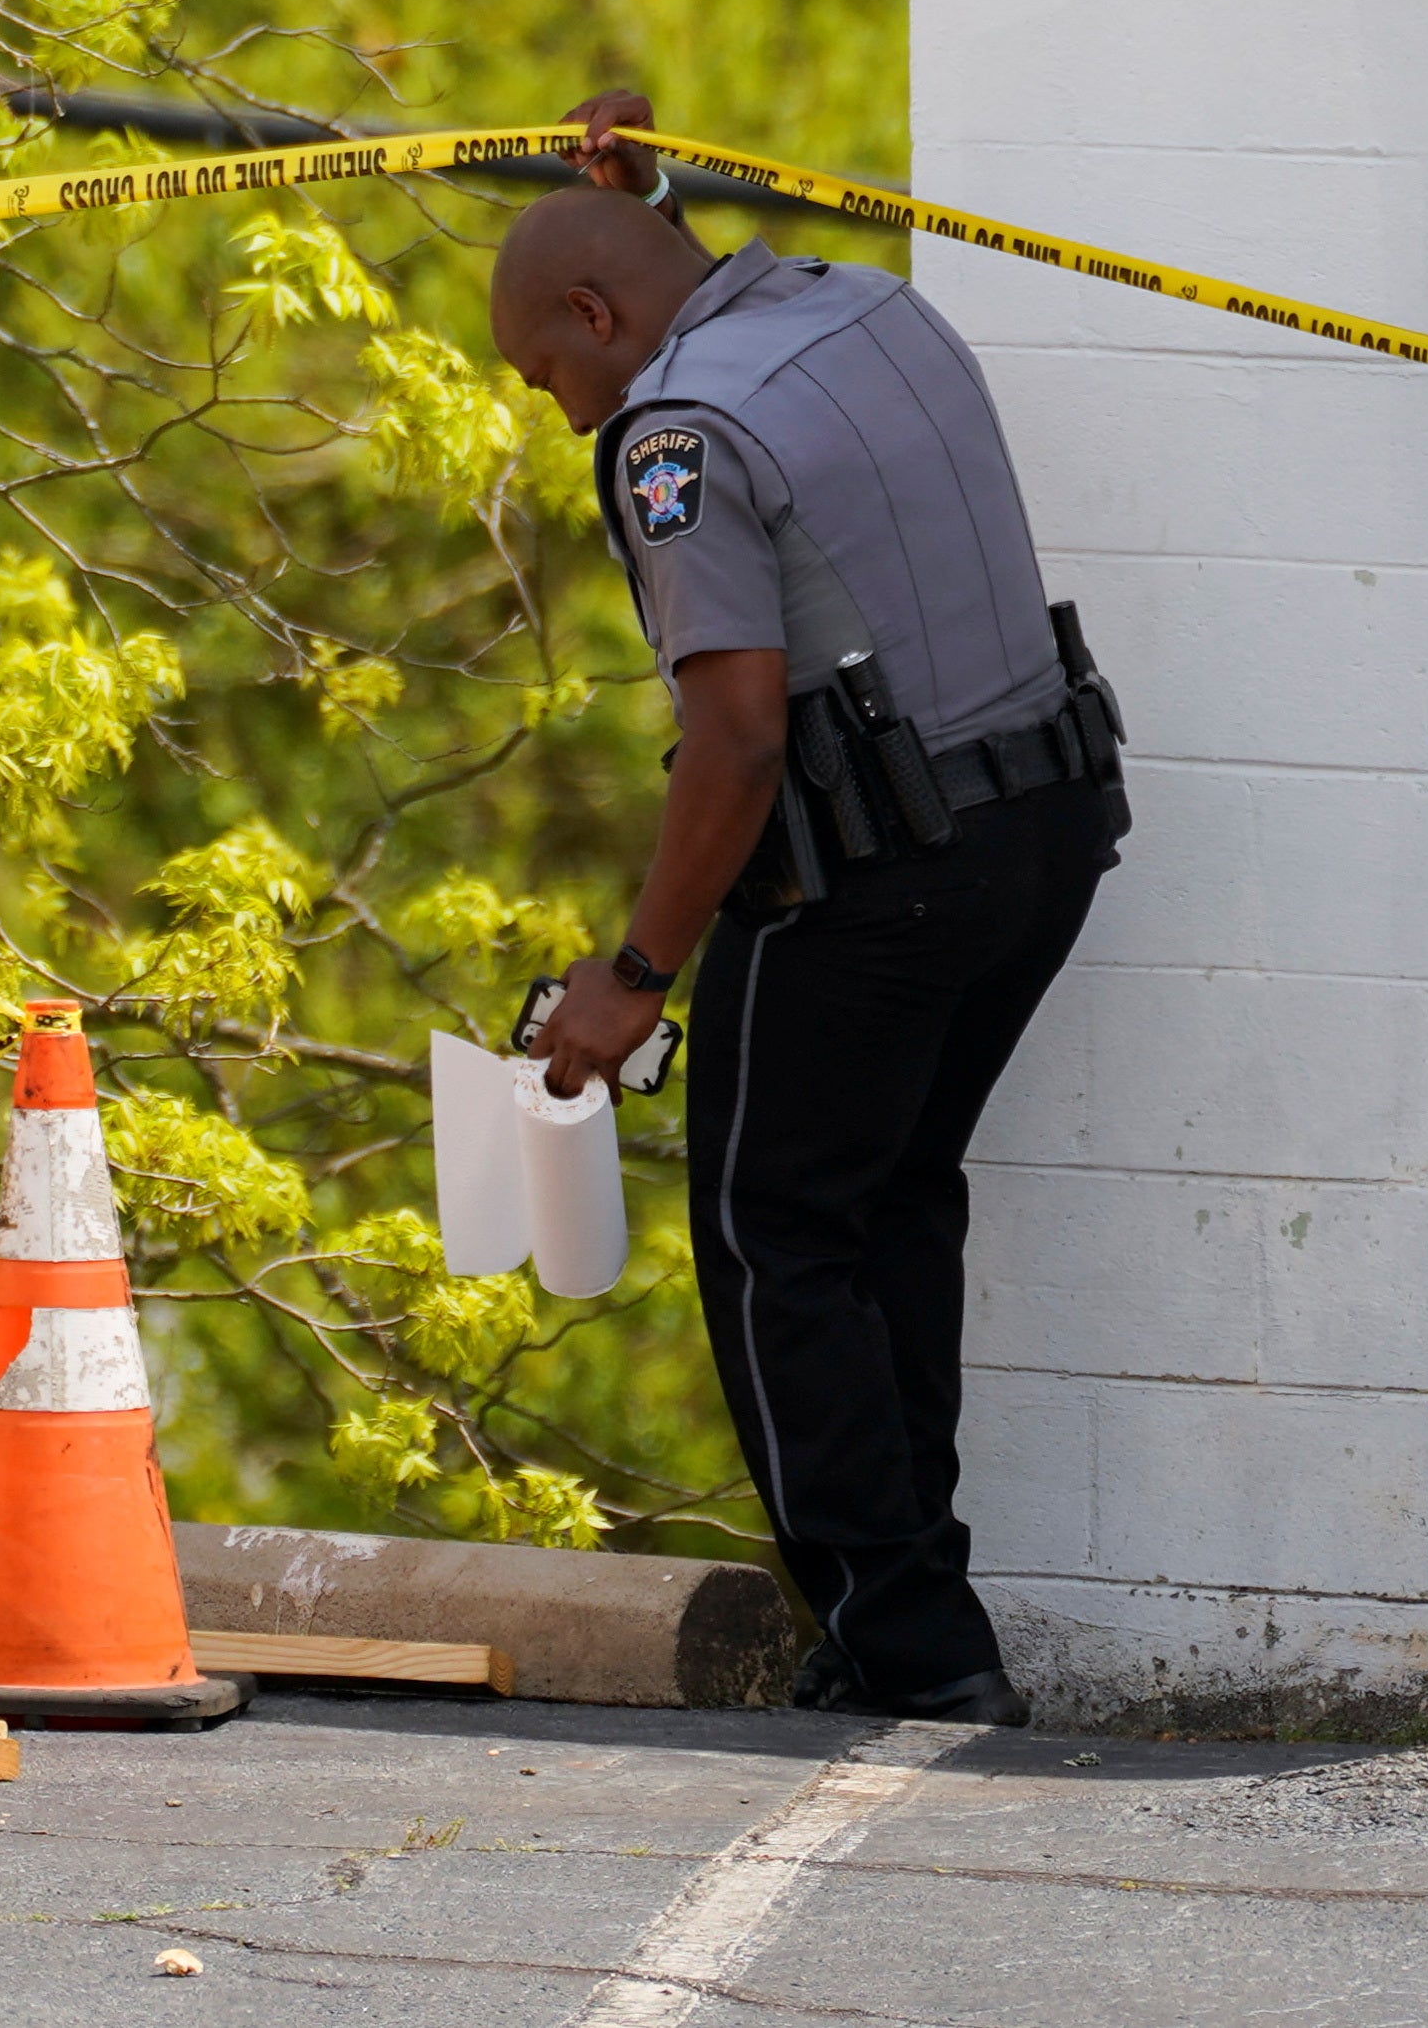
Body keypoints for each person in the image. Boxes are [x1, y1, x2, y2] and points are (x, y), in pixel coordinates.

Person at [491, 92, 1127, 1729]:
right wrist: (651, 199)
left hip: (875, 883)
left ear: (593, 316)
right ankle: (929, 1627)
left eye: (548, 373)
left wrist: (637, 971)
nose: (564, 417)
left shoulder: (676, 435)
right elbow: (693, 291)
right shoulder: (871, 309)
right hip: (1044, 832)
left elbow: (742, 731)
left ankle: (907, 1653)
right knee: (892, 1204)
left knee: (779, 1242)